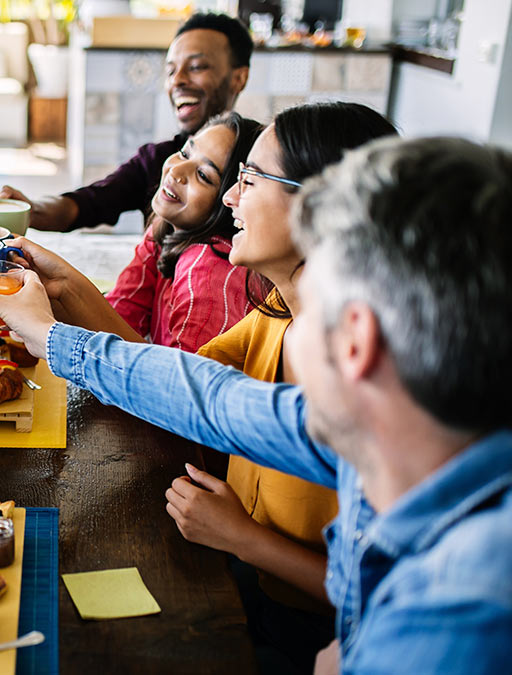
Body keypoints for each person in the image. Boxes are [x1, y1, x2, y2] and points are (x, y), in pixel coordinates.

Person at [0, 136, 512, 672]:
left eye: (312, 295)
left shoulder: (454, 617)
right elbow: (212, 397)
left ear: (354, 342)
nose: (292, 310)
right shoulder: (391, 426)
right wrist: (52, 327)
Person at [169, 102, 396, 674]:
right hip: (247, 585)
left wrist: (242, 538)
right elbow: (177, 380)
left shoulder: (376, 381)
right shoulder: (275, 314)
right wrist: (62, 300)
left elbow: (382, 593)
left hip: (322, 632)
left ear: (319, 206)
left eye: (247, 180)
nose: (227, 199)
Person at [8, 112, 263, 351]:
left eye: (203, 175)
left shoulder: (210, 271)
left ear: (231, 200)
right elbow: (119, 318)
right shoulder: (164, 229)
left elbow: (178, 389)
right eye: (185, 153)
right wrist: (48, 297)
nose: (175, 170)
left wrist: (60, 298)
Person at [0, 12, 252, 232]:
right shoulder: (158, 159)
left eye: (196, 67)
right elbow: (88, 202)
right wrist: (27, 209)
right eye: (171, 70)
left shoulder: (260, 165)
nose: (177, 81)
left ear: (238, 78)